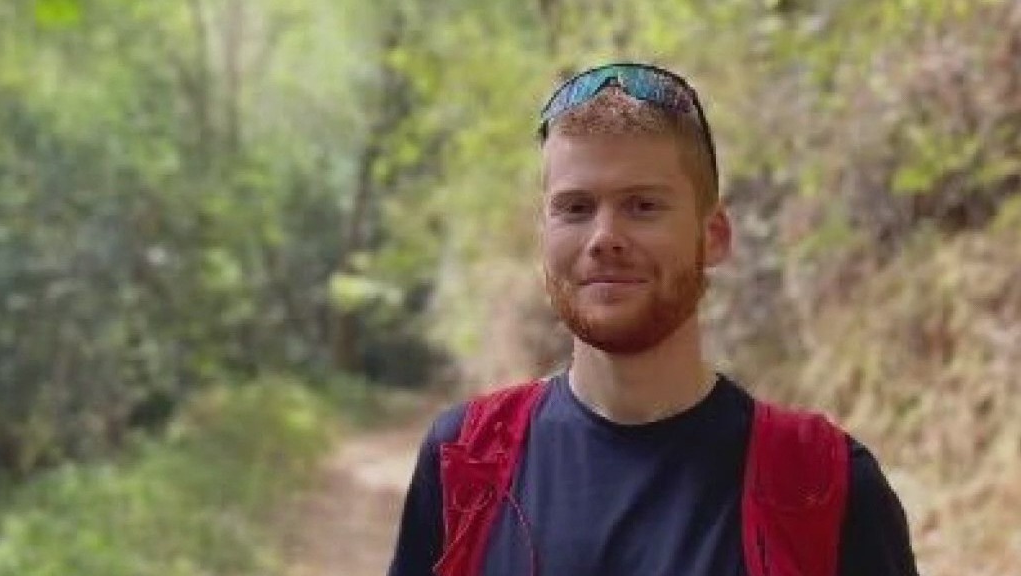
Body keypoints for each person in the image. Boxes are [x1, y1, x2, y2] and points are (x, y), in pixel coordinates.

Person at [388, 62, 919, 576]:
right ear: (544, 235)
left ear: (713, 236)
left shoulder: (823, 484)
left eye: (643, 206)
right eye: (575, 208)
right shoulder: (465, 463)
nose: (604, 238)